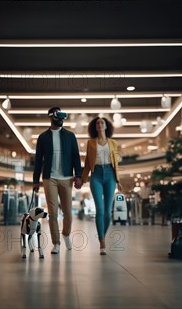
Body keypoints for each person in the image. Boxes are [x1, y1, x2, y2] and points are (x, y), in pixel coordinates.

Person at [33, 107, 83, 255]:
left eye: (62, 116)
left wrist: (78, 176)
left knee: (68, 212)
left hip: (67, 178)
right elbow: (38, 161)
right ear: (50, 117)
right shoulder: (43, 137)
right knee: (53, 212)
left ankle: (66, 234)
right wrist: (35, 180)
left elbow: (76, 156)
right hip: (50, 178)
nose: (61, 119)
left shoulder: (70, 136)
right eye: (58, 116)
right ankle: (56, 243)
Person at [81, 117, 122, 255]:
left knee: (108, 212)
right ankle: (102, 241)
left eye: (102, 123)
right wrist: (83, 179)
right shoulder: (91, 143)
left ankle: (101, 234)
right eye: (97, 123)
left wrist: (118, 180)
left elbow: (116, 162)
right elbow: (87, 162)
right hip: (96, 175)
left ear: (106, 126)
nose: (99, 124)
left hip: (110, 174)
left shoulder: (113, 143)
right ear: (95, 127)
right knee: (99, 209)